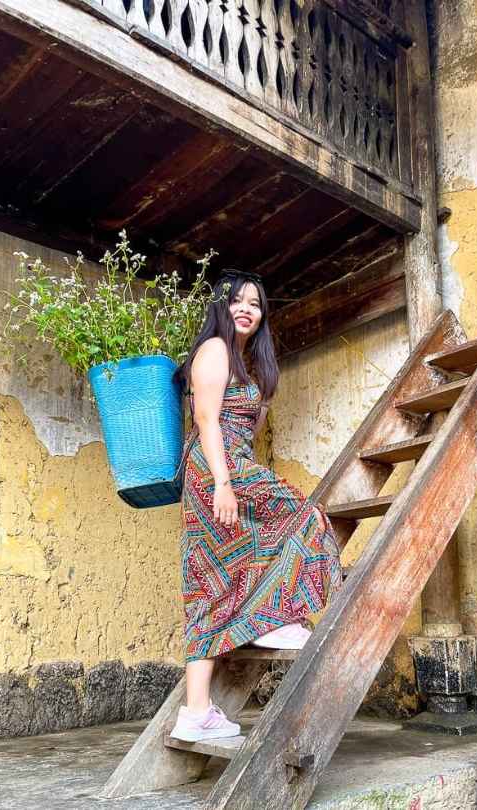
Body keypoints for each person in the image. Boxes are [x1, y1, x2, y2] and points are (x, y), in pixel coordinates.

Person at [169, 271, 343, 742]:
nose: (246, 309)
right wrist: (223, 484)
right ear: (221, 309)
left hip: (231, 465)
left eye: (255, 304)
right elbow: (207, 421)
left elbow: (248, 425)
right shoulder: (215, 351)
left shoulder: (250, 364)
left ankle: (197, 712)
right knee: (304, 517)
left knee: (215, 581)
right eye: (237, 301)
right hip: (215, 468)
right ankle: (276, 619)